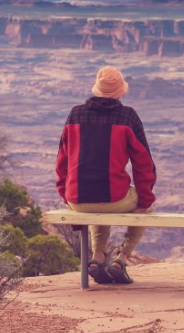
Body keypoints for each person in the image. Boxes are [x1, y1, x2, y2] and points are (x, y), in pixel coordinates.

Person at [56, 66, 156, 284]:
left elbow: (61, 161)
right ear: (121, 91)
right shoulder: (127, 116)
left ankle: (97, 257)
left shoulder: (75, 114)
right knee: (146, 205)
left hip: (77, 199)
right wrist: (145, 199)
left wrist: (66, 194)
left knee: (95, 196)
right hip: (114, 199)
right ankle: (122, 259)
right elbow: (143, 163)